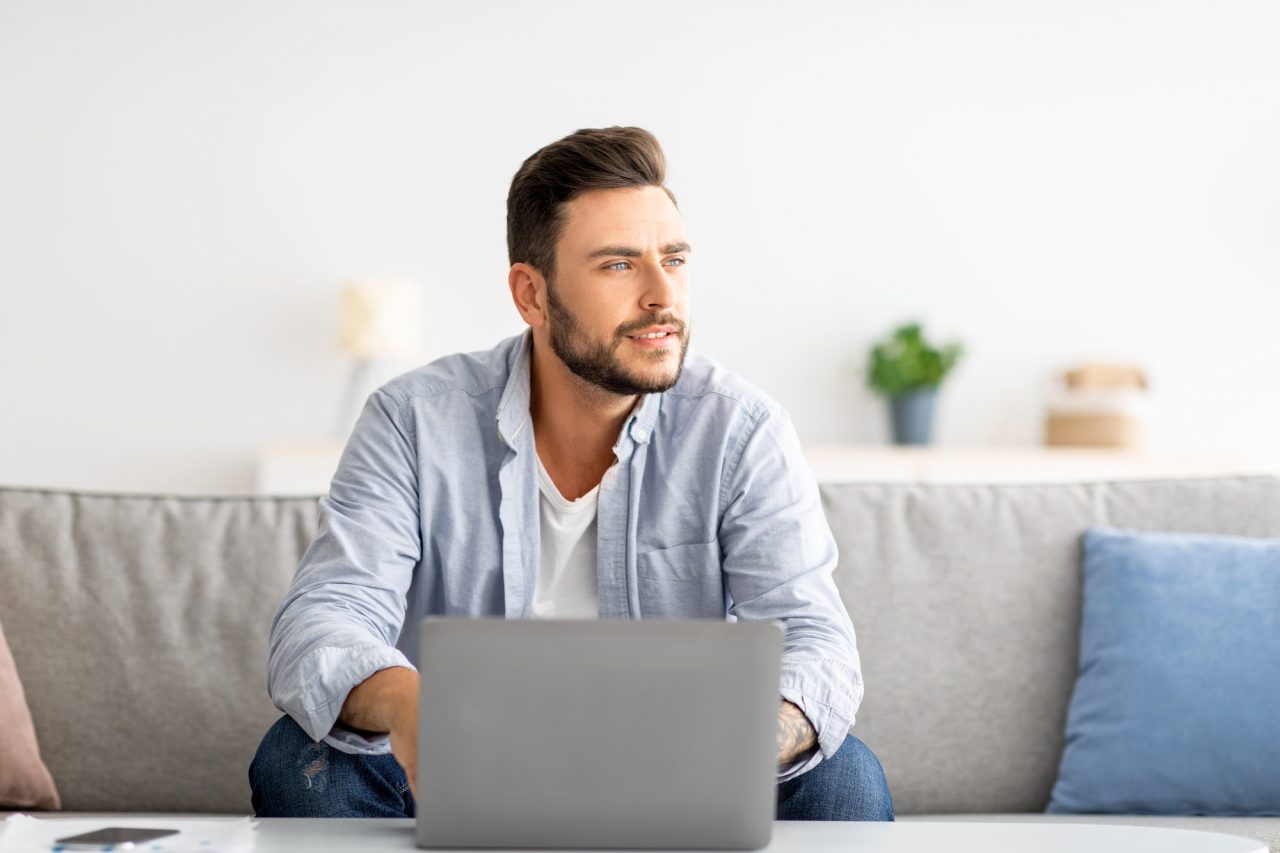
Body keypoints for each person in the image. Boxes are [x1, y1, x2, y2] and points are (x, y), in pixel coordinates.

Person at [249, 126, 893, 822]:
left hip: (681, 767)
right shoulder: (412, 421)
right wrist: (411, 705)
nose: (661, 295)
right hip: (458, 766)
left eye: (673, 259)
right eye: (619, 265)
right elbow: (321, 620)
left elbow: (817, 640)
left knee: (845, 779)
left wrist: (739, 744)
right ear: (531, 294)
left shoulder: (742, 430)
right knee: (298, 760)